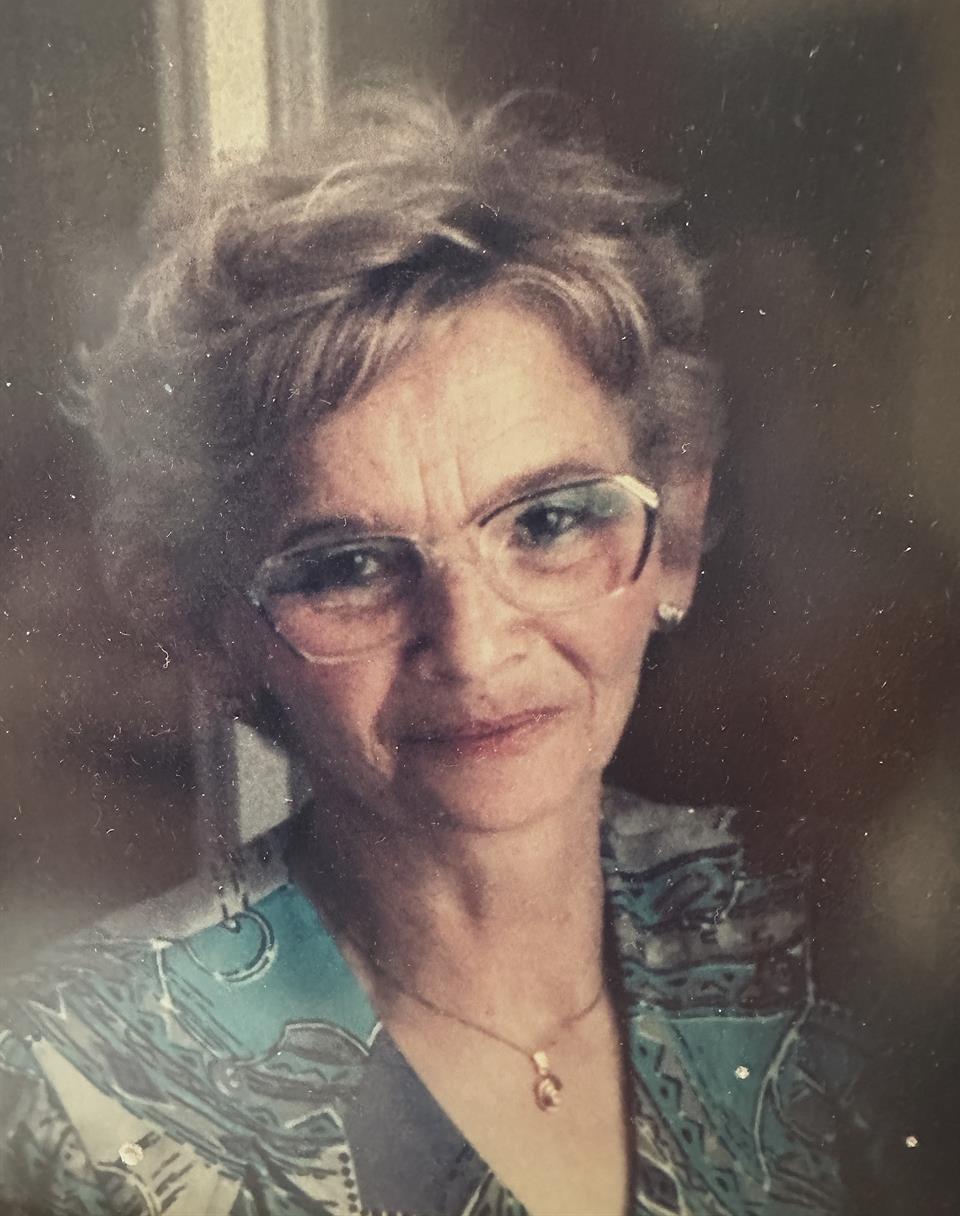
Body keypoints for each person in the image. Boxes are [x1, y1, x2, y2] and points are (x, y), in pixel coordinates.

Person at [0, 89, 874, 1216]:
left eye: (548, 521)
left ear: (677, 535)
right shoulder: (69, 1096)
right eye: (349, 566)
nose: (471, 644)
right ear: (213, 630)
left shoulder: (839, 955)